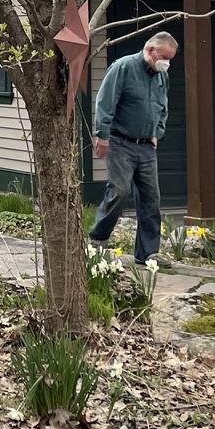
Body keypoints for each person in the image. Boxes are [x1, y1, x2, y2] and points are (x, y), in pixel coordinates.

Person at [89, 31, 178, 263]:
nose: (166, 63)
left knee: (151, 199)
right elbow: (105, 101)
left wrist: (157, 132)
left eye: (170, 59)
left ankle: (148, 253)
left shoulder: (161, 76)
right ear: (150, 50)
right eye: (164, 57)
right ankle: (97, 238)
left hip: (147, 146)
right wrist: (102, 136)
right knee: (119, 191)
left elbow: (163, 106)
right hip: (120, 142)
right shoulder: (124, 67)